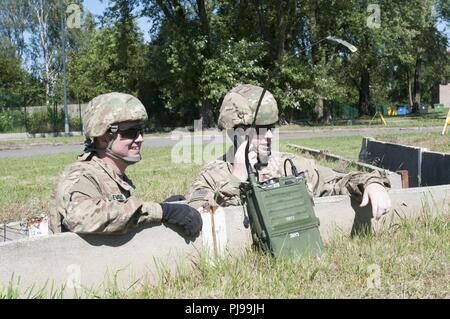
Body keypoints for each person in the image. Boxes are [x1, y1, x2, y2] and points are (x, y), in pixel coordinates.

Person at [187, 84, 392, 220]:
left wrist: (371, 182)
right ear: (236, 133)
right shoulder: (212, 176)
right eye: (259, 130)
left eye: (271, 128)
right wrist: (237, 179)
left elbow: (336, 181)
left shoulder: (289, 166)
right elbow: (198, 218)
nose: (269, 136)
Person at [50, 92, 202, 237]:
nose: (140, 138)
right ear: (103, 138)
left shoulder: (110, 175)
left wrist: (162, 211)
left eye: (141, 131)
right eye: (130, 132)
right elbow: (80, 217)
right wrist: (160, 211)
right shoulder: (82, 175)